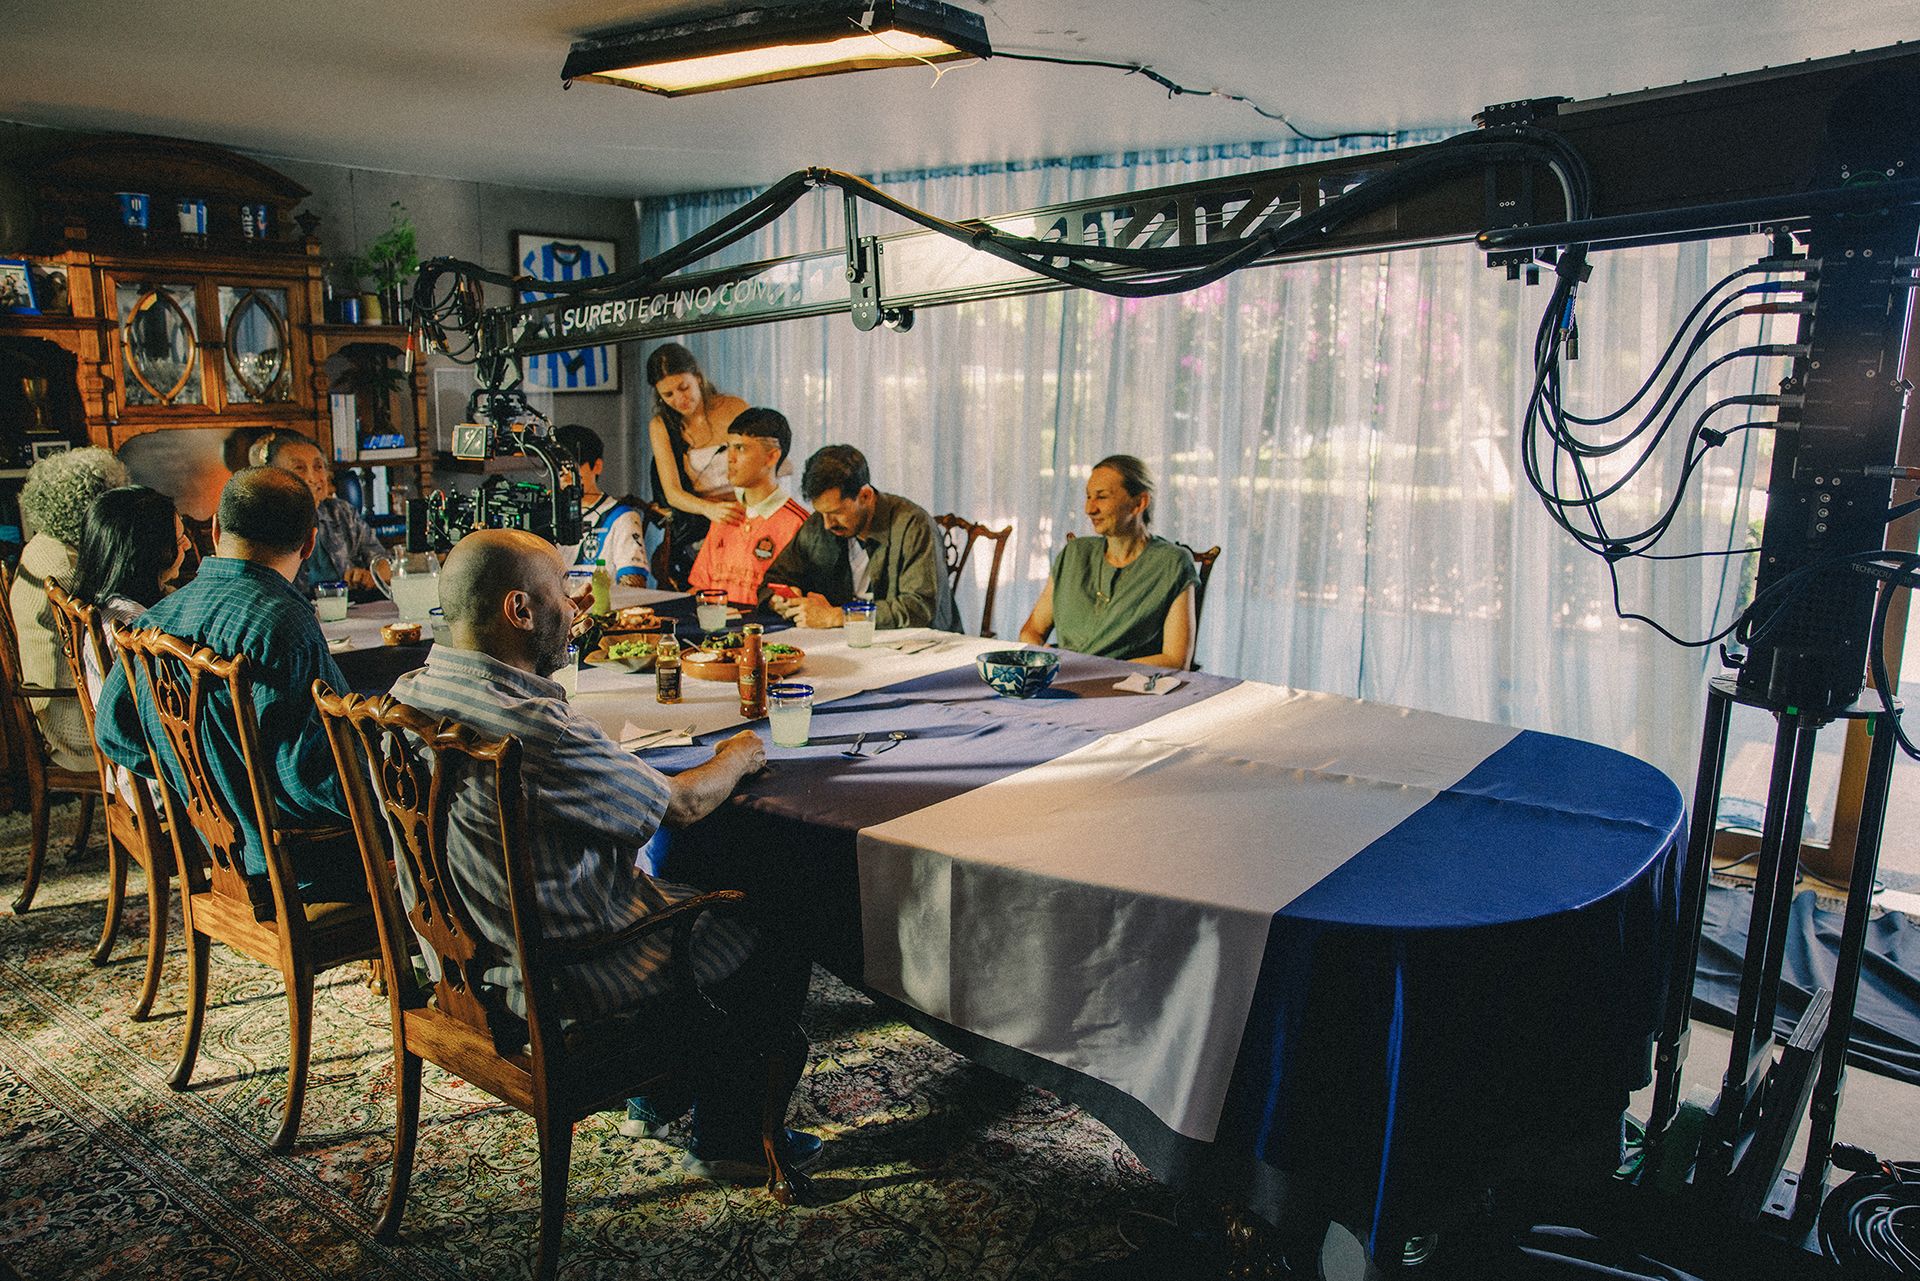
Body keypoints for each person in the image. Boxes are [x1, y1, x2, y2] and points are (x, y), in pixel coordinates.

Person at [391, 528, 822, 1181]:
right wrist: (733, 756)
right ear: (520, 610)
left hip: (467, 962)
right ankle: (731, 1135)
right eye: (563, 589)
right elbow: (678, 805)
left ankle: (656, 1095)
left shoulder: (405, 696)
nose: (576, 607)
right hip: (561, 975)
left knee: (679, 877)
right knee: (778, 915)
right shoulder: (534, 726)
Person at [93, 467, 363, 903]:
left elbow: (113, 731)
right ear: (310, 543)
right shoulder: (285, 623)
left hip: (221, 845)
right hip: (296, 867)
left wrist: (199, 784)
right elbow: (313, 779)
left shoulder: (157, 617)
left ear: (216, 528)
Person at [11, 445, 129, 771]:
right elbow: (116, 632)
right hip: (74, 725)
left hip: (59, 706)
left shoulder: (44, 545)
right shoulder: (67, 567)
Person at [1019, 455, 1197, 669]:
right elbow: (1032, 630)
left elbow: (1176, 660)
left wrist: (1092, 670)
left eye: (1101, 497)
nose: (1089, 509)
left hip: (1124, 689)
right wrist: (1041, 656)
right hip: (1063, 679)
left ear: (1139, 503)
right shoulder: (1074, 553)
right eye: (1088, 497)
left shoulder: (1172, 563)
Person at [762, 445, 959, 633]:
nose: (827, 524)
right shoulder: (819, 524)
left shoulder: (913, 525)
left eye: (837, 512)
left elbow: (919, 608)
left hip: (923, 650)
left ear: (865, 496)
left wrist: (837, 616)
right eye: (821, 513)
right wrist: (781, 599)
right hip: (846, 644)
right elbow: (775, 579)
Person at [646, 343, 748, 585]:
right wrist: (709, 509)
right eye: (668, 395)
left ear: (698, 378)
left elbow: (760, 463)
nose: (679, 399)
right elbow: (673, 493)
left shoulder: (733, 407)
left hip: (746, 512)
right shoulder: (661, 426)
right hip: (699, 522)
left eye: (684, 388)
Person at [686, 408, 809, 608]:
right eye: (728, 447)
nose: (729, 458)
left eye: (740, 448)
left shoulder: (799, 524)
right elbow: (699, 588)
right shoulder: (723, 515)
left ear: (771, 457)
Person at [257, 430, 391, 595]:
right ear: (273, 477)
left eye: (318, 467)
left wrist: (370, 576)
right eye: (299, 468)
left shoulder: (342, 513)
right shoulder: (262, 523)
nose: (312, 477)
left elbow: (385, 563)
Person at [551, 423, 649, 585]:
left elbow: (634, 583)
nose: (565, 477)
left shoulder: (621, 517)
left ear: (597, 466)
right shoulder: (549, 516)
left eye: (572, 469)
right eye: (558, 469)